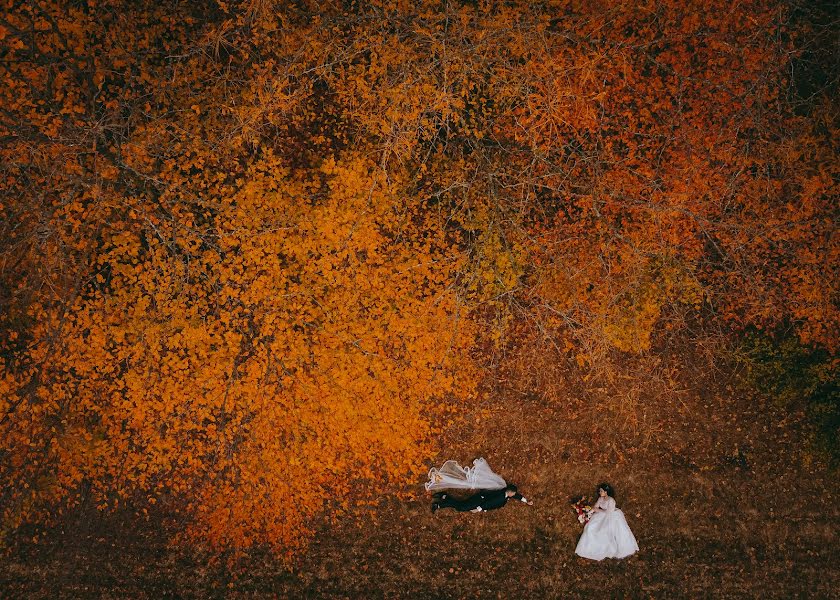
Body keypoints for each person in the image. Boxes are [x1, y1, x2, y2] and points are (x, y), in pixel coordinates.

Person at [574, 483, 638, 560]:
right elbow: (595, 507)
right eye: (600, 491)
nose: (599, 492)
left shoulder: (611, 500)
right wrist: (588, 513)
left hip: (611, 516)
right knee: (591, 528)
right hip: (601, 515)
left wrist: (598, 510)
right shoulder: (601, 499)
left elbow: (608, 512)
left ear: (606, 492)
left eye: (601, 491)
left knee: (606, 531)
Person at [432, 483, 533, 513]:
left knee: (461, 505)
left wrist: (526, 501)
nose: (514, 495)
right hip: (480, 500)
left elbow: (517, 496)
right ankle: (441, 500)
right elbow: (489, 503)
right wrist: (479, 509)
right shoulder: (500, 497)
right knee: (461, 507)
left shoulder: (506, 492)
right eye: (513, 493)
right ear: (510, 492)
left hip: (482, 498)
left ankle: (442, 499)